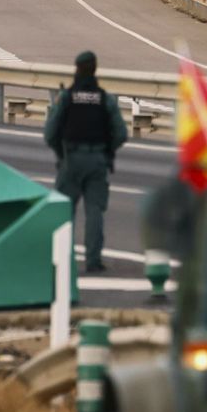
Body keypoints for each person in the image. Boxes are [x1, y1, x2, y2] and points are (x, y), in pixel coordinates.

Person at [44, 50, 128, 274]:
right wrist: (107, 150)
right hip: (97, 159)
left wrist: (60, 154)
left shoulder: (67, 97)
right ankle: (93, 261)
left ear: (77, 68)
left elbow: (50, 132)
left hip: (71, 159)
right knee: (95, 211)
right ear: (95, 68)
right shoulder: (104, 98)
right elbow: (121, 133)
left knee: (64, 212)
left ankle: (64, 261)